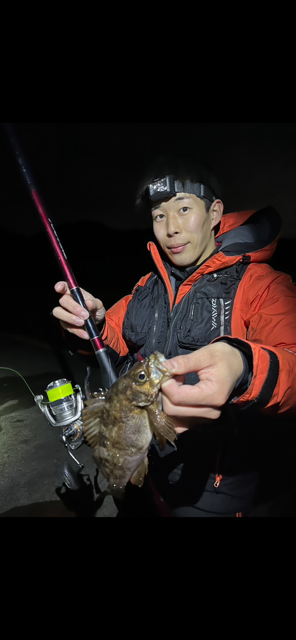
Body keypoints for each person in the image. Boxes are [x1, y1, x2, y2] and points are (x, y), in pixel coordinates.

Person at [52, 154, 296, 517]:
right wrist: (91, 325)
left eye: (183, 209)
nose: (171, 229)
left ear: (214, 214)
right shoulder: (147, 286)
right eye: (159, 215)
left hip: (215, 485)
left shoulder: (264, 285)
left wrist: (243, 365)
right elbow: (112, 338)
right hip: (145, 460)